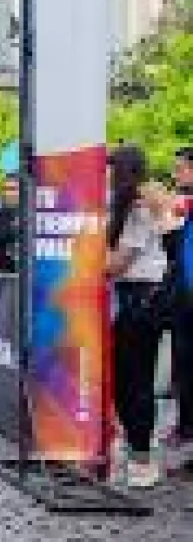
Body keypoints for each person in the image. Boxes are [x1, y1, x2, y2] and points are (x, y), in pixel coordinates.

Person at [107, 145, 170, 488]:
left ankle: (143, 457)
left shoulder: (140, 208)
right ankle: (135, 446)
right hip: (133, 298)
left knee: (137, 380)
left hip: (142, 299)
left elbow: (119, 263)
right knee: (125, 378)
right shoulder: (128, 206)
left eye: (110, 168)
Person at [159, 147, 193, 469]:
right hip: (183, 297)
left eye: (180, 168)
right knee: (183, 365)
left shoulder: (185, 204)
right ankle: (186, 426)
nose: (175, 174)